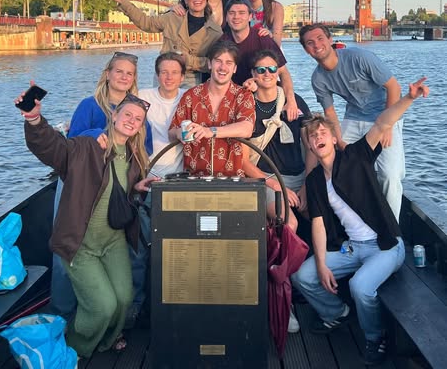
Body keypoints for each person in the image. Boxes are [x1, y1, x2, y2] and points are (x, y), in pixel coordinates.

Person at [291, 77, 429, 366]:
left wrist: (408, 98)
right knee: (303, 276)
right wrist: (321, 264)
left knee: (360, 287)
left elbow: (381, 124)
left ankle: (374, 337)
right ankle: (335, 313)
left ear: (333, 138)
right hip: (352, 248)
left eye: (322, 132)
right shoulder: (315, 180)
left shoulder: (355, 156)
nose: (318, 138)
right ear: (310, 147)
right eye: (312, 137)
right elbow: (318, 223)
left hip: (386, 245)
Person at [17, 88, 158, 358]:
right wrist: (34, 120)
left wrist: (136, 187)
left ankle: (107, 338)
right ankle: (74, 349)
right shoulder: (87, 146)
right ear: (114, 115)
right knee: (103, 306)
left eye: (138, 119)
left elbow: (116, 193)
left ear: (141, 127)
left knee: (124, 299)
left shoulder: (134, 157)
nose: (131, 121)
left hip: (113, 241)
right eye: (127, 114)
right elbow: (53, 148)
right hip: (81, 243)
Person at [51, 51, 153, 321]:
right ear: (108, 74)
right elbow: (71, 146)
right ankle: (63, 314)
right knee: (66, 249)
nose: (124, 77)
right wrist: (96, 133)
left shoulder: (138, 110)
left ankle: (110, 312)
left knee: (119, 249)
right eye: (119, 71)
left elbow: (146, 146)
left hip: (113, 190)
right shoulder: (89, 105)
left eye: (129, 73)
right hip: (80, 187)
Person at [299, 24, 405, 221]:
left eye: (320, 39)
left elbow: (393, 87)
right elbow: (330, 113)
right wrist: (339, 141)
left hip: (385, 115)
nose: (317, 45)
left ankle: (393, 229)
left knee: (389, 176)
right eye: (310, 43)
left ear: (330, 40)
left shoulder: (359, 57)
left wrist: (387, 126)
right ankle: (353, 220)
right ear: (306, 50)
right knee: (338, 166)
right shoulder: (318, 78)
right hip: (355, 117)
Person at [128, 52, 187, 327]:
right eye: (163, 71)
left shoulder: (189, 98)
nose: (169, 77)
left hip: (177, 185)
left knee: (176, 249)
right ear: (157, 74)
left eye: (174, 72)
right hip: (145, 183)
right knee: (139, 251)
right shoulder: (143, 97)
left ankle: (174, 309)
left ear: (183, 76)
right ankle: (136, 308)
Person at [242, 49, 317, 229]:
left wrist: (307, 185)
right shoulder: (246, 106)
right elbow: (243, 162)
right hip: (266, 177)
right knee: (289, 222)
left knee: (320, 215)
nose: (267, 74)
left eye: (272, 69)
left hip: (299, 176)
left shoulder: (294, 101)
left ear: (278, 72)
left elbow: (310, 148)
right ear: (253, 74)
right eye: (261, 70)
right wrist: (277, 186)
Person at [107, 0, 222, 88]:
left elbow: (214, 63)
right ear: (186, 0)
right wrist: (123, 1)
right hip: (164, 73)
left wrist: (189, 61)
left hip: (191, 79)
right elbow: (146, 23)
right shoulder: (172, 18)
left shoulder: (215, 31)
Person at [169, 40, 255, 177]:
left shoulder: (243, 95)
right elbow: (171, 132)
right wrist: (179, 133)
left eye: (229, 63)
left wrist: (209, 131)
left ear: (235, 68)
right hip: (195, 178)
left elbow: (246, 129)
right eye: (218, 61)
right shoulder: (191, 95)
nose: (223, 67)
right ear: (209, 64)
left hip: (232, 178)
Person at [221, 0, 299, 121]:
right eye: (232, 13)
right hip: (236, 96)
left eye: (241, 13)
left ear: (250, 16)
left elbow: (283, 72)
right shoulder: (223, 43)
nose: (236, 17)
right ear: (226, 17)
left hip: (264, 93)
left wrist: (291, 101)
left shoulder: (262, 39)